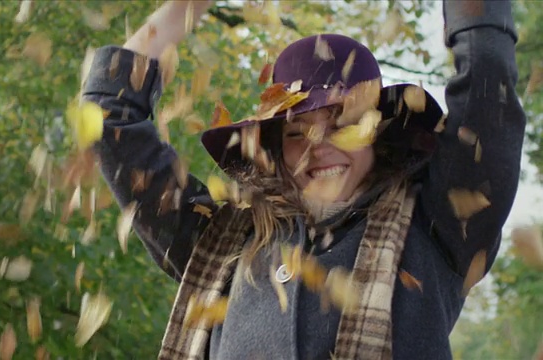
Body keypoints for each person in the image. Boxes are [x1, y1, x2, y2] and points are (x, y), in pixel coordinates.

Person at [82, 0, 525, 358]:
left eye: (343, 125)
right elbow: (108, 114)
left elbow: (488, 82)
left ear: (379, 134)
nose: (319, 146)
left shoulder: (438, 224)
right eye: (295, 132)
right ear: (274, 152)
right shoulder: (220, 242)